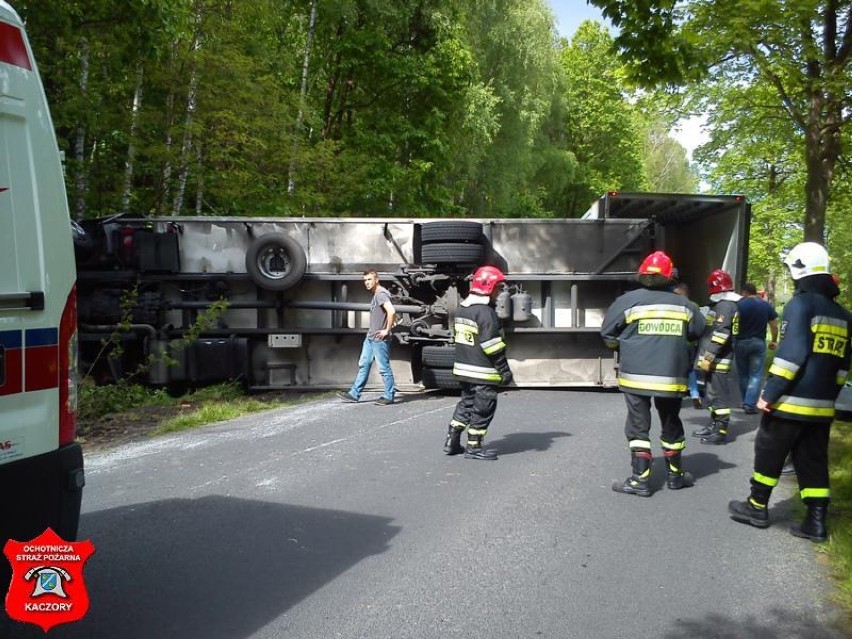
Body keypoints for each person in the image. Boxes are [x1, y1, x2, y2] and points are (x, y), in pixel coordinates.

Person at [729, 242, 850, 542]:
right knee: (813, 460)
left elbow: (791, 356)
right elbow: (843, 368)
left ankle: (757, 506)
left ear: (798, 268)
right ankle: (816, 522)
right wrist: (828, 398)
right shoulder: (844, 315)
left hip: (790, 403)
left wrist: (769, 394)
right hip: (821, 407)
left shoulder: (800, 305)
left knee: (770, 452)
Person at [601, 251, 706, 496]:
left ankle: (640, 481)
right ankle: (676, 476)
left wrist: (625, 344)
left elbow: (607, 335)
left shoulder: (627, 301)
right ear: (671, 277)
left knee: (638, 426)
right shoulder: (685, 305)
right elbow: (697, 332)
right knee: (671, 423)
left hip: (634, 377)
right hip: (671, 378)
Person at [443, 266, 513, 460]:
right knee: (483, 408)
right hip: (483, 372)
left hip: (464, 370)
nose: (499, 293)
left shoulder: (462, 310)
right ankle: (474, 447)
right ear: (489, 287)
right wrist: (505, 371)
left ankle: (452, 441)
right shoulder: (486, 313)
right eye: (498, 288)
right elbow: (492, 346)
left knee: (466, 404)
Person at [692, 269, 741, 445]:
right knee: (712, 395)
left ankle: (720, 431)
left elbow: (721, 333)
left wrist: (708, 356)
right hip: (715, 359)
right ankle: (714, 424)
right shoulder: (722, 305)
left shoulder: (725, 306)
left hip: (718, 360)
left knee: (718, 396)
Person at [338, 270, 397, 405]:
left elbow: (392, 311)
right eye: (365, 280)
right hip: (370, 338)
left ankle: (389, 395)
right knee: (364, 364)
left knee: (383, 368)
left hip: (379, 339)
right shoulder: (377, 294)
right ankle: (354, 393)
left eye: (369, 279)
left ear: (376, 279)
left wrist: (386, 330)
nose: (367, 283)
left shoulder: (381, 294)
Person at [735, 282, 779, 414]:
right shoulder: (765, 305)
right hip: (758, 343)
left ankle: (745, 401)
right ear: (755, 292)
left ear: (744, 292)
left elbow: (733, 324)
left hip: (741, 342)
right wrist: (774, 340)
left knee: (743, 374)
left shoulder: (739, 305)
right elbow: (774, 325)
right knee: (755, 375)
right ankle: (749, 404)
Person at [673, 282, 702, 408]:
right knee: (690, 370)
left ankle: (678, 394)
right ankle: (695, 394)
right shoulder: (694, 306)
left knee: (676, 368)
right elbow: (699, 327)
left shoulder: (676, 306)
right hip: (692, 344)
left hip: (678, 343)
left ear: (680, 293)